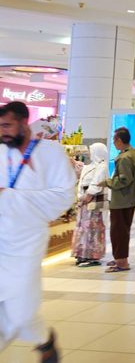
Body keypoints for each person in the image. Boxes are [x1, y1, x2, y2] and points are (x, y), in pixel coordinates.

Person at [0, 102, 75, 362]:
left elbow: (63, 196)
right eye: (0, 126)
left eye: (7, 125)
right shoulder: (2, 153)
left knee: (20, 309)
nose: (3, 132)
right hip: (1, 236)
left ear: (24, 122)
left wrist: (9, 197)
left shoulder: (50, 153)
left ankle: (44, 341)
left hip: (27, 240)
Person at [104, 127, 135, 273]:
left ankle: (122, 262)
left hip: (122, 200)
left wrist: (107, 182)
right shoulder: (134, 153)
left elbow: (124, 180)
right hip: (131, 198)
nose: (113, 143)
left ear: (119, 140)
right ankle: (119, 257)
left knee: (118, 231)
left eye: (114, 140)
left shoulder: (124, 158)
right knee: (123, 229)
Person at [71, 143, 109, 267]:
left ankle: (93, 255)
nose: (90, 153)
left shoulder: (102, 166)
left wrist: (87, 195)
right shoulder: (91, 166)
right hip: (85, 202)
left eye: (92, 151)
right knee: (84, 229)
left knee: (92, 229)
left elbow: (96, 183)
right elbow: (81, 173)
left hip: (92, 202)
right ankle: (82, 253)